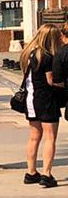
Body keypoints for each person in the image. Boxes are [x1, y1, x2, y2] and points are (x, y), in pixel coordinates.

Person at [22, 23, 63, 188]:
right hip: (46, 100)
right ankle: (46, 173)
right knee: (50, 137)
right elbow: (51, 80)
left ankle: (31, 172)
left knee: (33, 137)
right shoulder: (47, 56)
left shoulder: (31, 54)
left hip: (31, 99)